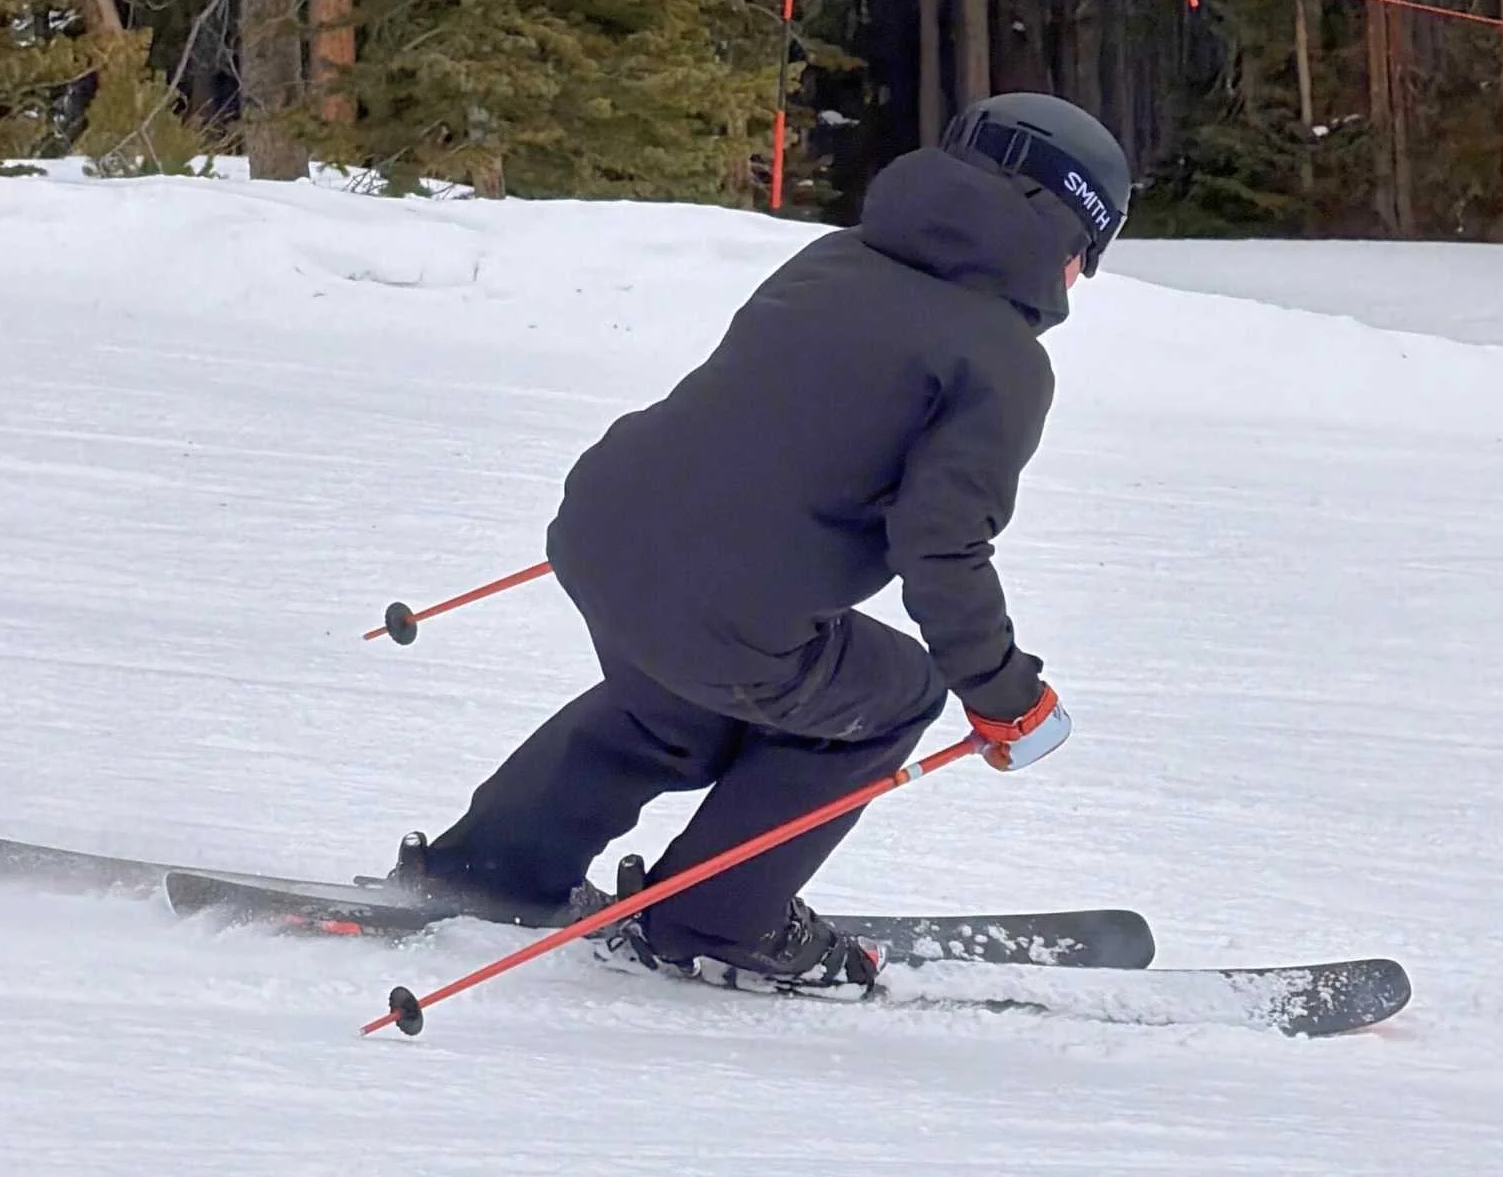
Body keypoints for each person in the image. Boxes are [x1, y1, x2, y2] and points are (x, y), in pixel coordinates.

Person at [392, 92, 1132, 995]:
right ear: (1065, 230)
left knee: (672, 710)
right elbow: (941, 550)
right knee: (897, 694)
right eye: (1088, 256)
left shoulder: (833, 259)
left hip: (602, 531)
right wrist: (1005, 694)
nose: (1078, 280)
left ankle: (488, 870)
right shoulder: (1004, 361)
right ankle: (715, 918)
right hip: (721, 600)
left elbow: (752, 428)